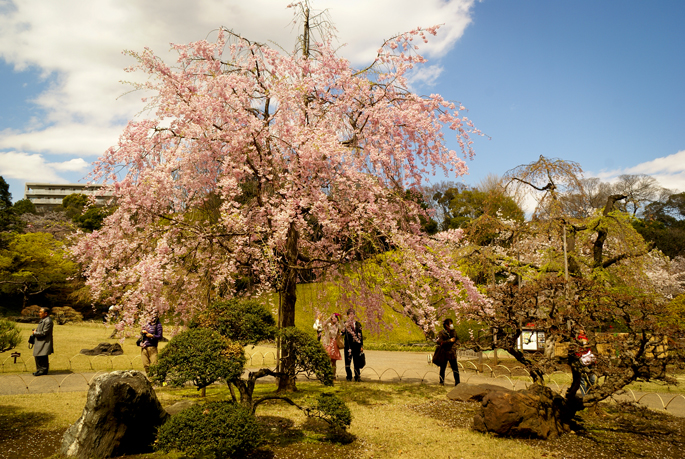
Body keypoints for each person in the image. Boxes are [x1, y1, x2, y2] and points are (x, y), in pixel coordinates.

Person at [432, 318, 460, 386]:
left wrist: (456, 344)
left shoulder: (453, 331)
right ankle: (441, 381)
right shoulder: (441, 332)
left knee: (455, 368)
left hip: (452, 352)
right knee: (442, 368)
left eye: (451, 323)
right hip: (444, 352)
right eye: (450, 324)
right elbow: (440, 342)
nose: (451, 325)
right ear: (446, 325)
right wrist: (449, 341)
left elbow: (457, 339)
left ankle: (457, 382)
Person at [343, 308, 364, 382]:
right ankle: (349, 376)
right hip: (348, 345)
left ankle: (357, 376)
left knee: (356, 361)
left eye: (353, 314)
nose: (351, 316)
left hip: (356, 346)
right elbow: (342, 333)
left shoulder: (358, 324)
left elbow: (361, 335)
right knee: (347, 361)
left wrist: (361, 346)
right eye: (350, 314)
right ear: (348, 315)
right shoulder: (345, 324)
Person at [32, 307, 54, 376]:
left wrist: (35, 333)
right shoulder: (43, 319)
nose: (39, 313)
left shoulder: (48, 321)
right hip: (40, 341)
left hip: (44, 342)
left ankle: (43, 371)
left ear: (46, 313)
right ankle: (39, 370)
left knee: (43, 356)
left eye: (41, 312)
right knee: (38, 356)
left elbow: (45, 332)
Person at [321, 313, 343, 378]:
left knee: (334, 361)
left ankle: (333, 375)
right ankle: (326, 374)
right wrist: (329, 318)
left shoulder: (337, 325)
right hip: (328, 343)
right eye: (332, 319)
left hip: (334, 343)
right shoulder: (328, 325)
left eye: (335, 319)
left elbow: (342, 327)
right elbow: (324, 324)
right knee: (327, 359)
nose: (333, 320)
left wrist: (341, 319)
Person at [576, 329, 597, 395]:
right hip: (580, 360)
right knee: (581, 380)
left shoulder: (587, 338)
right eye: (582, 329)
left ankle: (588, 392)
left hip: (588, 360)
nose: (584, 331)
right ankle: (584, 395)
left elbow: (590, 349)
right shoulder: (576, 338)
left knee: (592, 379)